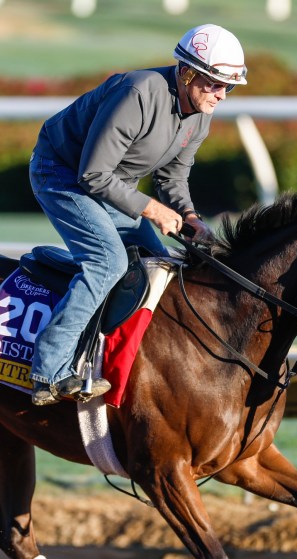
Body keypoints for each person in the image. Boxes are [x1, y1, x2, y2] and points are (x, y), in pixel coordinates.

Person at [27, 23, 248, 406]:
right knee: (107, 261)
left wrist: (190, 216)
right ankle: (49, 370)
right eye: (214, 84)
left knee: (157, 262)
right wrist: (151, 208)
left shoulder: (200, 113)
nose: (221, 95)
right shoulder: (138, 92)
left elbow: (173, 177)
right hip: (60, 173)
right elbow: (93, 173)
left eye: (227, 87)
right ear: (187, 72)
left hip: (109, 184)